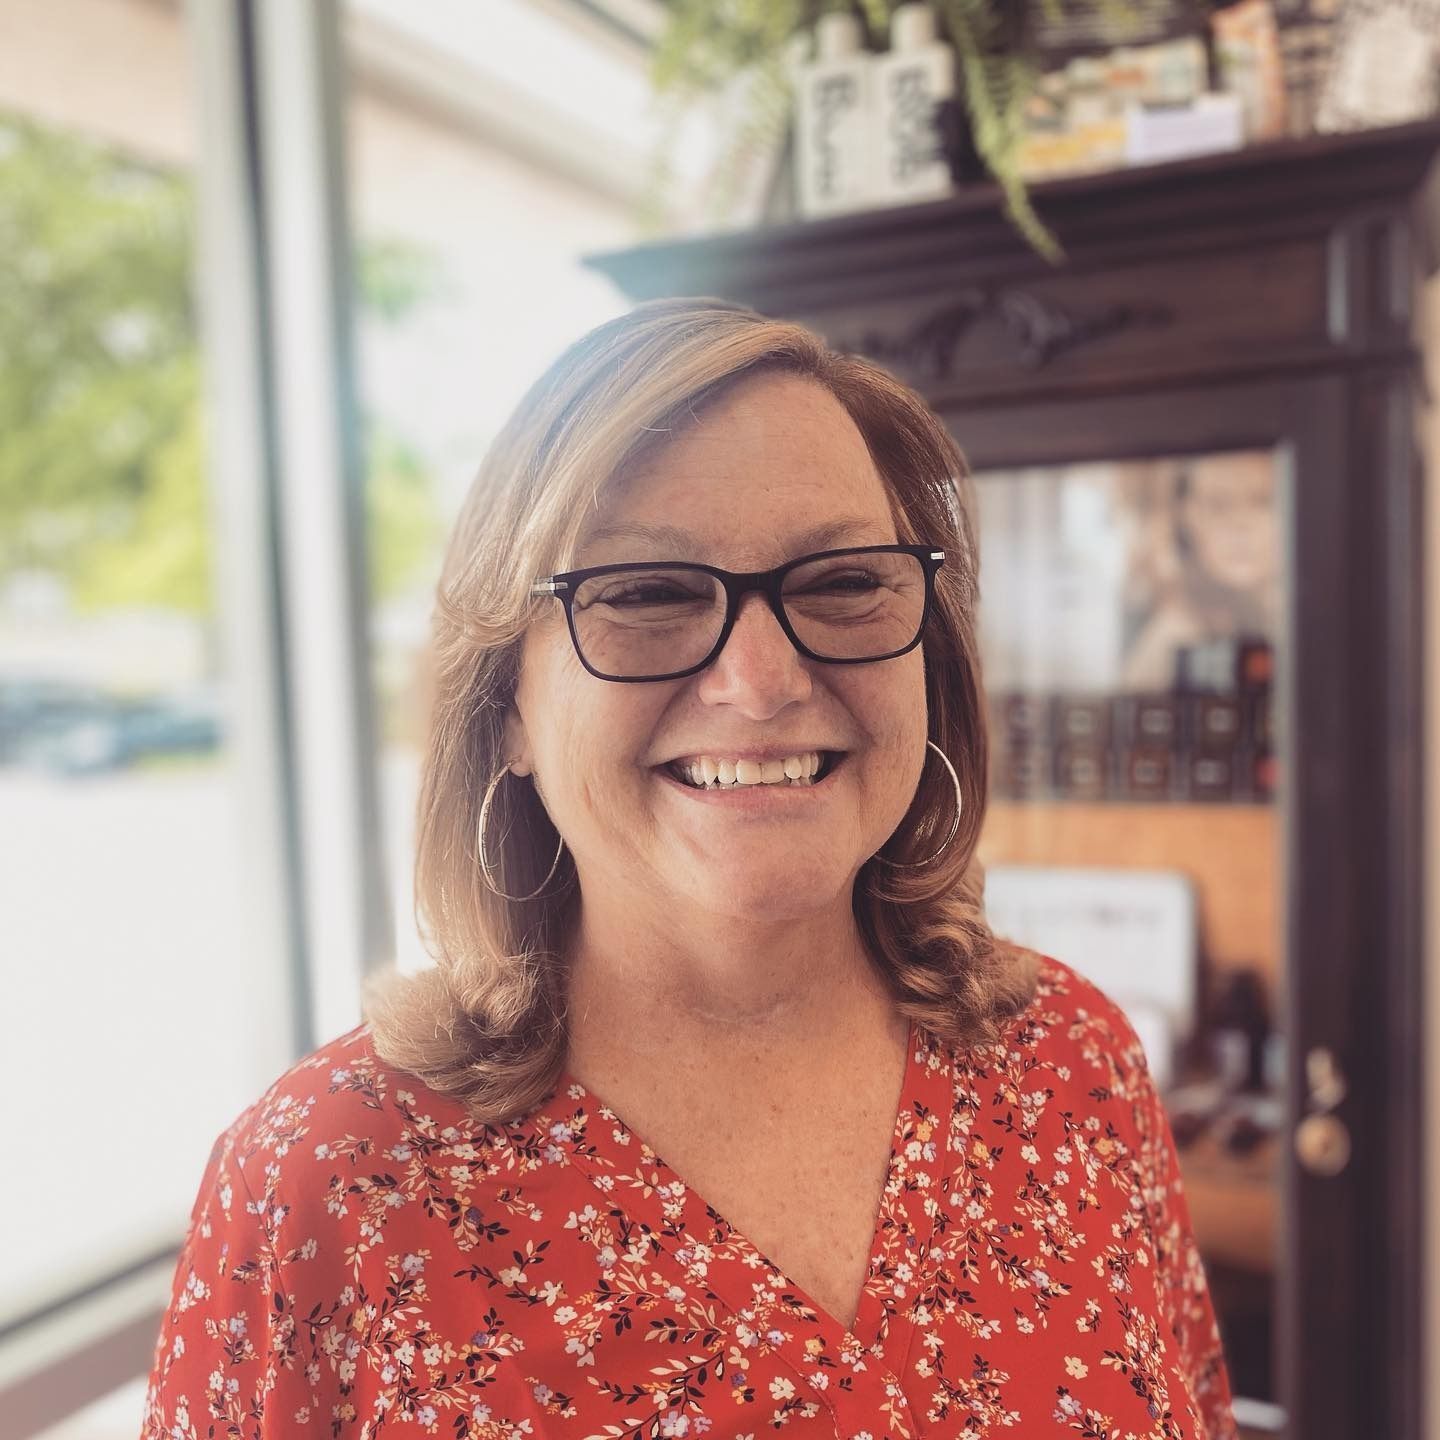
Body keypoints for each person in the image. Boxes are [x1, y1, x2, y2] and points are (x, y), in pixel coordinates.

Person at [141, 299, 1237, 1440]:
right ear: (505, 708)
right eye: (647, 595)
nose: (759, 682)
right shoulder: (324, 1188)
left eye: (843, 582)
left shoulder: (1075, 1063)